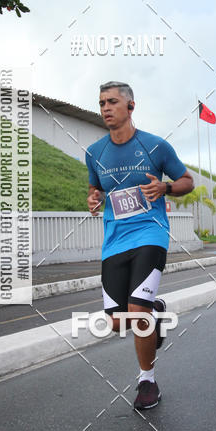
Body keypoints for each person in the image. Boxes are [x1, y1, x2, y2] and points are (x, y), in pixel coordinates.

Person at [86, 81, 194, 410]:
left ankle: (147, 380)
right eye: (102, 102)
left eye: (113, 102)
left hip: (151, 233)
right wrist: (93, 199)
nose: (106, 108)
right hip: (114, 240)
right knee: (119, 321)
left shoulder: (155, 146)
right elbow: (95, 190)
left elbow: (187, 181)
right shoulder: (95, 153)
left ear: (131, 107)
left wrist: (166, 188)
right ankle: (155, 311)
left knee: (137, 312)